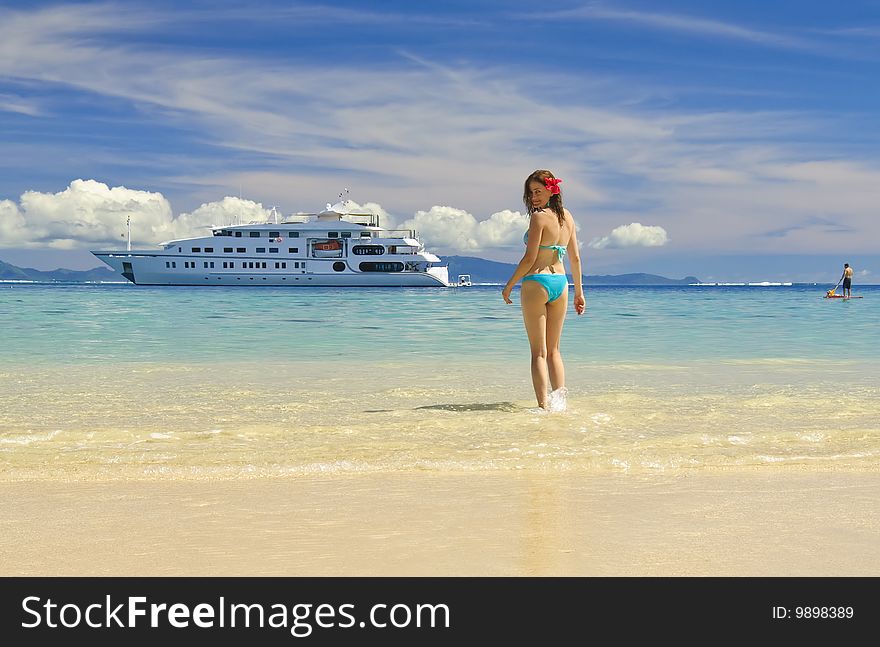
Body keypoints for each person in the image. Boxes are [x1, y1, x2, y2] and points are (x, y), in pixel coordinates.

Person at [502, 170, 586, 410]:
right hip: (561, 283)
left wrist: (509, 285)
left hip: (536, 282)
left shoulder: (539, 218)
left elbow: (529, 259)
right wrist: (579, 292)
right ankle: (560, 405)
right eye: (530, 194)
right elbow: (576, 259)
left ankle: (543, 408)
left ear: (552, 190)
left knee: (539, 352)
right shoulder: (568, 218)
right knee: (555, 351)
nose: (534, 198)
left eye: (538, 191)